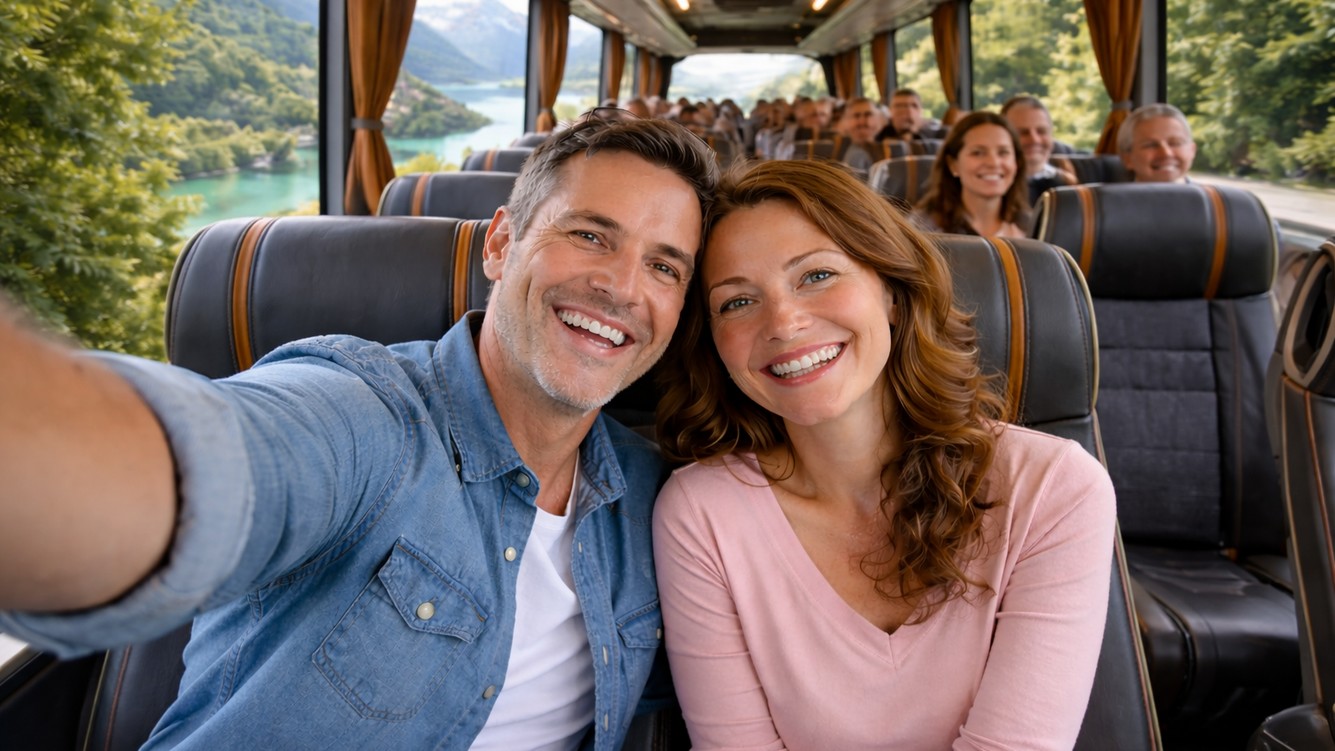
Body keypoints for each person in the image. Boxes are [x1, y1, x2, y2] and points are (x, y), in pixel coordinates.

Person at [0, 113, 720, 749]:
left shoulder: (659, 500)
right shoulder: (367, 416)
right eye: (590, 235)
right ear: (500, 244)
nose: (623, 287)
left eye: (663, 266)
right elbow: (205, 466)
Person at [651, 159, 1115, 749]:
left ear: (893, 292)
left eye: (816, 275)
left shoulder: (1053, 488)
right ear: (713, 343)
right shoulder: (700, 514)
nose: (785, 322)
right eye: (737, 302)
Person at [915, 110, 1031, 237]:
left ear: (1016, 163)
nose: (993, 162)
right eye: (978, 153)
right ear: (953, 164)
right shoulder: (921, 229)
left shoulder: (1036, 228)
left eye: (1003, 152)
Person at [1002, 94, 1077, 204]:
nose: (1034, 140)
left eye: (1041, 131)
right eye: (1023, 132)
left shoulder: (1071, 182)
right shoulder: (990, 186)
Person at [1118, 103, 1197, 183]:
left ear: (1192, 150)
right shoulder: (1110, 196)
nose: (1166, 153)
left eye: (1175, 143)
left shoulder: (1209, 195)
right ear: (1127, 159)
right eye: (1151, 145)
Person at [874, 88, 948, 142]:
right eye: (899, 106)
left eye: (914, 106)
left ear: (921, 110)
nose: (908, 110)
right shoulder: (881, 136)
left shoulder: (940, 134)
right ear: (890, 111)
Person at [837, 96, 885, 173]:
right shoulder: (854, 156)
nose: (862, 122)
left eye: (868, 115)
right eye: (856, 116)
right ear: (846, 123)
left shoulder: (890, 148)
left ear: (880, 120)